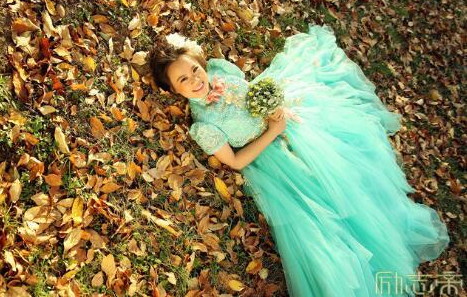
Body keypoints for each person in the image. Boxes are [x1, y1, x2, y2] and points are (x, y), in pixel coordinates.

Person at [148, 24, 450, 297]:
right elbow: (236, 162)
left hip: (289, 122)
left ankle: (380, 221)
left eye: (195, 70)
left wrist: (275, 109)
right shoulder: (204, 125)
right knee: (319, 212)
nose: (195, 80)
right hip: (270, 156)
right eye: (183, 80)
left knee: (344, 174)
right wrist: (273, 130)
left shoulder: (220, 71)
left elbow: (251, 91)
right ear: (174, 89)